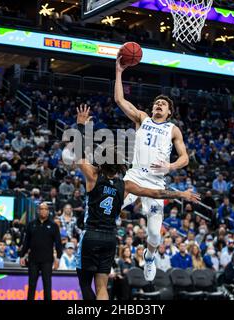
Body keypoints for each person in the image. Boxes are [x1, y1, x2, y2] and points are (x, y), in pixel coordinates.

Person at [74, 105, 199, 300]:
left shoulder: (92, 177)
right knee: (101, 286)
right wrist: (180, 195)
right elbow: (156, 193)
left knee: (84, 283)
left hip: (91, 234)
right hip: (110, 238)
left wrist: (81, 126)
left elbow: (78, 152)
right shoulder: (126, 185)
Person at [115, 57, 191, 282]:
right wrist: (119, 71)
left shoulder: (173, 129)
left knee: (155, 234)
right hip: (135, 176)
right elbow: (119, 99)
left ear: (169, 112)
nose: (158, 105)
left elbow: (185, 157)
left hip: (157, 182)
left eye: (163, 104)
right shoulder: (142, 119)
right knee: (111, 205)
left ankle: (149, 256)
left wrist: (171, 165)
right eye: (156, 102)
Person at [20, 202, 63, 300]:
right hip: (33, 260)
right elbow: (26, 241)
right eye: (41, 209)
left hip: (47, 260)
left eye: (46, 209)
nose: (43, 211)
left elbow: (58, 243)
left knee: (47, 285)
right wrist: (22, 255)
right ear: (38, 211)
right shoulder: (31, 224)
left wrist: (58, 258)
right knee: (31, 285)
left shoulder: (53, 226)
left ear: (48, 211)